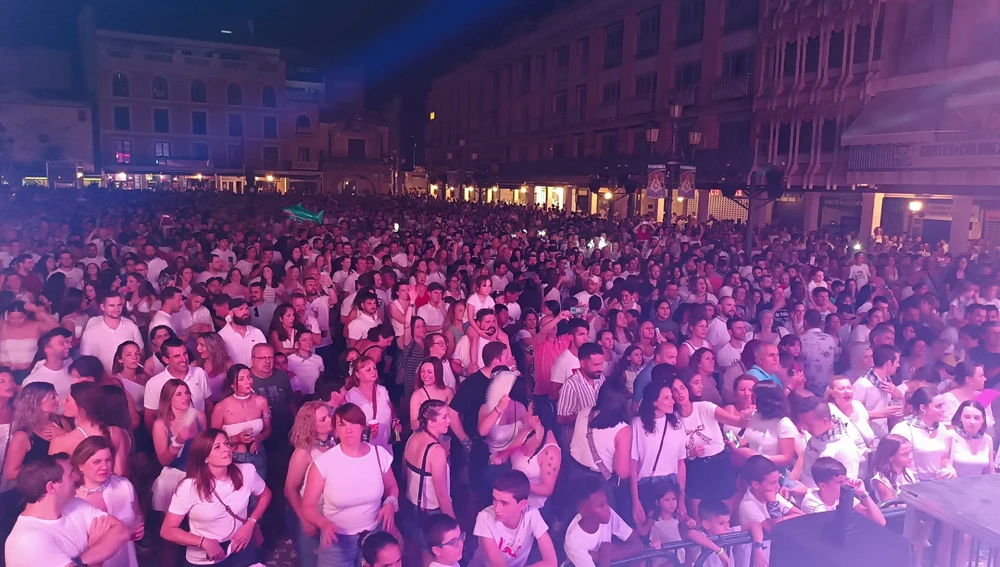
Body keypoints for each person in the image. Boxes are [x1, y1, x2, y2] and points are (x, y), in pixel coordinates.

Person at [300, 403, 400, 567]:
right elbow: (308, 506)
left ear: (362, 426)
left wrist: (390, 502)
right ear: (335, 430)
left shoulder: (378, 454)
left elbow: (392, 488)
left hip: (373, 536)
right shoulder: (323, 463)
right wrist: (324, 524)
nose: (348, 429)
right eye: (342, 424)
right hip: (337, 540)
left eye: (353, 423)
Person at [160, 428, 272, 566]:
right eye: (217, 447)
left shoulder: (246, 471)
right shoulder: (190, 487)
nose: (226, 449)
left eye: (226, 444)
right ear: (205, 457)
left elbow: (265, 494)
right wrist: (203, 542)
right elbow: (167, 530)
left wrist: (251, 523)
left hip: (240, 549)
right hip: (205, 560)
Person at [5, 455, 130, 567]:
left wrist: (82, 561)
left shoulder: (74, 504)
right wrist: (95, 554)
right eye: (71, 474)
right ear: (52, 487)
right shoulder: (30, 540)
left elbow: (120, 531)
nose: (77, 477)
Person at [670, 372, 749, 514]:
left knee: (724, 513)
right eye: (674, 391)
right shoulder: (673, 419)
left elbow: (735, 423)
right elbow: (674, 453)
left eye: (682, 388)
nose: (679, 393)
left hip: (720, 463)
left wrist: (747, 417)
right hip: (695, 468)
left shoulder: (705, 407)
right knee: (699, 515)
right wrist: (690, 453)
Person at [70, 436, 144, 567]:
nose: (104, 467)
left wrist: (136, 531)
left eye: (108, 460)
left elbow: (138, 517)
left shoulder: (124, 486)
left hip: (124, 560)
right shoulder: (71, 499)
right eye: (96, 462)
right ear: (81, 465)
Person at [468, 470, 557, 567]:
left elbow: (551, 562)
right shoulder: (485, 518)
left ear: (522, 504)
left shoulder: (532, 514)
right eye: (494, 499)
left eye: (504, 503)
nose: (497, 509)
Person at [285, 402, 336, 567]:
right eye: (323, 419)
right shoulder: (303, 452)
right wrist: (305, 520)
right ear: (311, 425)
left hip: (330, 514)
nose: (330, 419)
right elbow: (290, 490)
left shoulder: (335, 442)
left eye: (329, 415)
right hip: (309, 515)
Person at [490, 399, 561, 515]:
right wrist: (500, 457)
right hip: (512, 500)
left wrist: (520, 483)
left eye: (528, 411)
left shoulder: (551, 452)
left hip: (534, 509)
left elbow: (548, 489)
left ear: (535, 418)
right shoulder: (527, 433)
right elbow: (509, 453)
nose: (526, 414)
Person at [629, 380, 687, 525]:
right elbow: (633, 465)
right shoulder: (637, 424)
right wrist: (635, 501)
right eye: (666, 398)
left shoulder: (677, 425)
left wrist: (681, 498)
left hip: (671, 487)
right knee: (647, 532)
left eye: (671, 397)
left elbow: (681, 464)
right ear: (654, 402)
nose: (672, 401)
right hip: (647, 487)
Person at [401, 399, 455, 552]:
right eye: (444, 417)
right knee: (435, 554)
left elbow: (404, 472)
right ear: (431, 422)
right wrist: (453, 523)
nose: (449, 420)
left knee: (422, 550)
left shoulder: (412, 438)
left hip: (412, 506)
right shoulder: (436, 451)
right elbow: (442, 495)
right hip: (431, 511)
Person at [49, 381, 130, 477]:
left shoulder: (60, 441)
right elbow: (121, 472)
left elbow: (55, 477)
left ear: (82, 408)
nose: (62, 402)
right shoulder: (116, 432)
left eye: (67, 400)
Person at [150, 378, 207, 515]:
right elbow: (163, 460)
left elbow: (206, 448)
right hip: (174, 477)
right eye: (179, 394)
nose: (185, 397)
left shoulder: (199, 416)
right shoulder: (161, 424)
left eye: (187, 393)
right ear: (169, 399)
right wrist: (178, 442)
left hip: (198, 474)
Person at [563, 475, 643, 567]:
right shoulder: (574, 540)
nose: (608, 509)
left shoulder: (607, 515)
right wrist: (610, 550)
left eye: (606, 503)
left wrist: (601, 556)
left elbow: (638, 546)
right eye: (601, 506)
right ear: (583, 511)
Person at [738, 456, 803, 567]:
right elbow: (775, 529)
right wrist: (773, 504)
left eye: (778, 481)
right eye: (773, 482)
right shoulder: (747, 505)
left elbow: (801, 515)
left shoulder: (773, 494)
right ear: (755, 484)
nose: (778, 486)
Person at [211, 364, 272, 480]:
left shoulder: (261, 402)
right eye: (241, 379)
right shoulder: (221, 407)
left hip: (258, 455)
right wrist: (236, 439)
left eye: (249, 377)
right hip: (233, 458)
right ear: (233, 385)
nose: (248, 381)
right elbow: (213, 440)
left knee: (259, 494)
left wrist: (259, 438)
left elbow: (268, 429)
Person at [890, 385, 955, 482]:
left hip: (938, 484)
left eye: (943, 404)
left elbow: (944, 457)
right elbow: (893, 461)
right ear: (923, 408)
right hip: (912, 485)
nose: (944, 409)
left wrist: (948, 467)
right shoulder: (902, 429)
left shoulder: (941, 428)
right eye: (938, 406)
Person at [144, 337, 212, 427]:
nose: (183, 359)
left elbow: (208, 405)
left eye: (185, 354)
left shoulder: (199, 373)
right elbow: (150, 417)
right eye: (177, 356)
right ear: (165, 359)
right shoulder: (154, 384)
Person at [797, 394, 862, 488]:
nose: (804, 428)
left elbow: (845, 489)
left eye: (809, 424)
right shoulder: (816, 434)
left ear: (825, 421)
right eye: (803, 424)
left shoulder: (845, 449)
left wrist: (807, 493)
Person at [730, 381, 797, 469]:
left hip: (769, 472)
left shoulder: (784, 423)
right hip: (747, 469)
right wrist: (734, 443)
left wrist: (757, 457)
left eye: (754, 396)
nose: (751, 398)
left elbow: (786, 458)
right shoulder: (754, 415)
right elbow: (743, 440)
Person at [800, 457, 886, 525]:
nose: (845, 485)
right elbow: (832, 534)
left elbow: (880, 522)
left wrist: (863, 493)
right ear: (823, 486)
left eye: (845, 480)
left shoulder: (843, 495)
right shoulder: (812, 504)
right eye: (839, 482)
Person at [80, 292, 144, 375]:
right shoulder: (90, 333)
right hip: (102, 382)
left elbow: (141, 353)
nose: (116, 309)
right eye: (112, 305)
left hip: (129, 380)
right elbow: (85, 362)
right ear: (103, 307)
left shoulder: (132, 328)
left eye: (119, 305)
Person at [853, 344, 904, 438]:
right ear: (889, 363)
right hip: (865, 439)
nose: (898, 365)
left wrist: (899, 396)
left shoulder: (889, 383)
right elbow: (852, 414)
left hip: (883, 436)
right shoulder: (862, 384)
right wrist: (881, 414)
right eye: (897, 362)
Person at [345, 355, 396, 449]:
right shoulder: (350, 396)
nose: (373, 371)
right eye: (368, 370)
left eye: (374, 368)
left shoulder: (382, 390)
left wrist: (395, 423)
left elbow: (392, 412)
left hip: (386, 444)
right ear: (357, 374)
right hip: (364, 446)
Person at [825, 376, 876, 454]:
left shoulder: (858, 405)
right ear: (832, 393)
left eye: (849, 388)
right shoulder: (829, 412)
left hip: (868, 459)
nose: (847, 391)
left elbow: (869, 436)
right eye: (841, 389)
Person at [23, 328, 73, 401]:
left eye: (67, 342)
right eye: (62, 343)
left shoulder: (72, 366)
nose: (69, 346)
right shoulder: (33, 381)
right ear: (48, 350)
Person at [941, 361, 994, 430]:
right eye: (981, 376)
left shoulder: (984, 397)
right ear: (969, 379)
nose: (985, 379)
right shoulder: (948, 399)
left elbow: (991, 426)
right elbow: (948, 428)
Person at [947, 400, 995, 477]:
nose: (972, 422)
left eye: (976, 418)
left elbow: (990, 471)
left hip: (979, 487)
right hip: (954, 486)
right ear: (960, 418)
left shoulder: (987, 439)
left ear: (983, 419)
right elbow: (944, 464)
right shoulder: (950, 435)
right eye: (967, 417)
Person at [218, 299, 268, 367]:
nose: (246, 312)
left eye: (247, 308)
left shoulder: (257, 333)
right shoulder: (221, 336)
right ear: (231, 313)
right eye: (241, 309)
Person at [868, 433, 916, 504]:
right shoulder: (881, 481)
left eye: (910, 452)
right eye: (904, 454)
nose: (910, 457)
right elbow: (892, 509)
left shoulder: (908, 473)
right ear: (890, 457)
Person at [194, 332, 234, 402]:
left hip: (223, 404)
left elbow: (232, 389)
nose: (197, 348)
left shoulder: (228, 364)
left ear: (213, 346)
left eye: (202, 345)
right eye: (197, 345)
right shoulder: (195, 365)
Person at [287, 330, 325, 398]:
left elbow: (322, 378)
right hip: (298, 397)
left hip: (316, 395)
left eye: (310, 339)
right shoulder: (290, 360)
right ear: (297, 343)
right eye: (304, 340)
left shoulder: (318, 359)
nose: (308, 342)